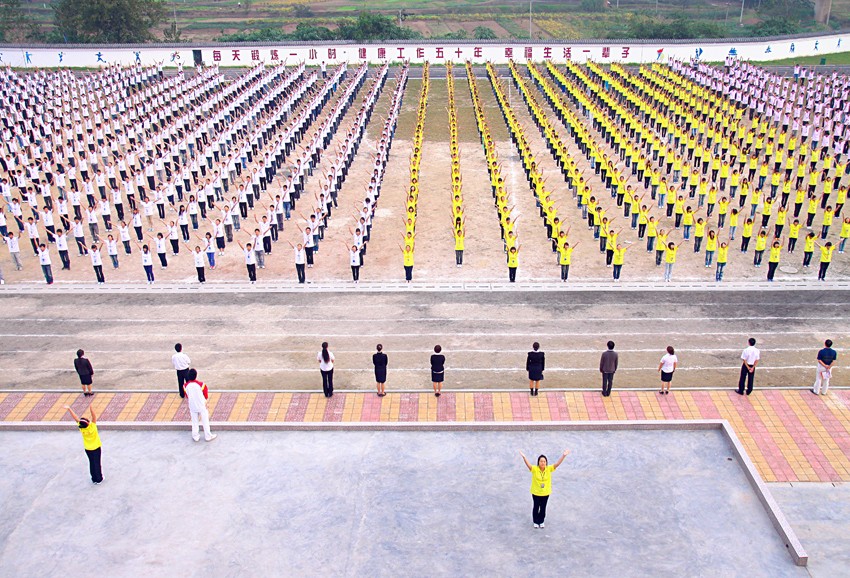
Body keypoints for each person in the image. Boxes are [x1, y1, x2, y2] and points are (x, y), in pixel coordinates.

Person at [519, 449, 570, 529]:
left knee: (543, 507)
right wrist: (524, 457)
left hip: (545, 493)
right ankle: (535, 521)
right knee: (536, 507)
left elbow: (557, 464)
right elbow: (528, 465)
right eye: (541, 461)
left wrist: (563, 455)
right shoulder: (535, 469)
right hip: (536, 493)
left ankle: (541, 521)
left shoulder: (549, 469)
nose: (542, 463)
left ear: (546, 463)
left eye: (544, 461)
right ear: (538, 462)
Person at [63, 403, 103, 484]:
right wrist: (91, 408)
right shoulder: (92, 427)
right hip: (96, 447)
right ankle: (99, 478)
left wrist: (69, 409)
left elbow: (76, 418)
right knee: (97, 462)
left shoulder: (82, 429)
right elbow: (94, 417)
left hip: (88, 448)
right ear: (88, 423)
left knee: (91, 462)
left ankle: (94, 478)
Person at [184, 368, 216, 442]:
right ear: (196, 375)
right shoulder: (201, 385)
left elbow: (187, 395)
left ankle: (195, 436)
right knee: (205, 420)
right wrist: (206, 402)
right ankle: (208, 436)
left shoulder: (185, 386)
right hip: (201, 405)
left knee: (194, 421)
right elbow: (205, 395)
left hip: (192, 405)